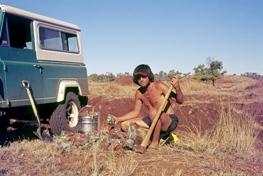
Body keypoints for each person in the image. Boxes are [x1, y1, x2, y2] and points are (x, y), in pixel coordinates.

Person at [114, 64, 184, 148]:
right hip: (153, 119)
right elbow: (135, 112)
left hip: (169, 121)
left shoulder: (159, 85)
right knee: (125, 125)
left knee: (153, 111)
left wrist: (177, 88)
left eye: (143, 77)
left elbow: (180, 101)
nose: (141, 80)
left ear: (149, 76)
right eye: (138, 78)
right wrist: (118, 119)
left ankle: (155, 143)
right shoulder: (139, 93)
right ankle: (162, 136)